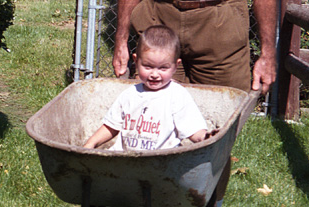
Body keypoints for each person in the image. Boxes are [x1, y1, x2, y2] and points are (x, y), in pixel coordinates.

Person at [112, 0, 278, 207]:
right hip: (158, 16)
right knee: (153, 121)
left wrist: (268, 51)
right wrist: (120, 39)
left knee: (217, 135)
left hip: (219, 24)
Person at [84, 25, 213, 152]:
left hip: (161, 162)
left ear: (175, 66)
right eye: (147, 66)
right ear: (136, 61)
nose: (155, 74)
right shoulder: (130, 94)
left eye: (163, 68)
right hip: (124, 159)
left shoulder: (177, 95)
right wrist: (91, 143)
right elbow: (112, 126)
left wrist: (204, 137)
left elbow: (192, 128)